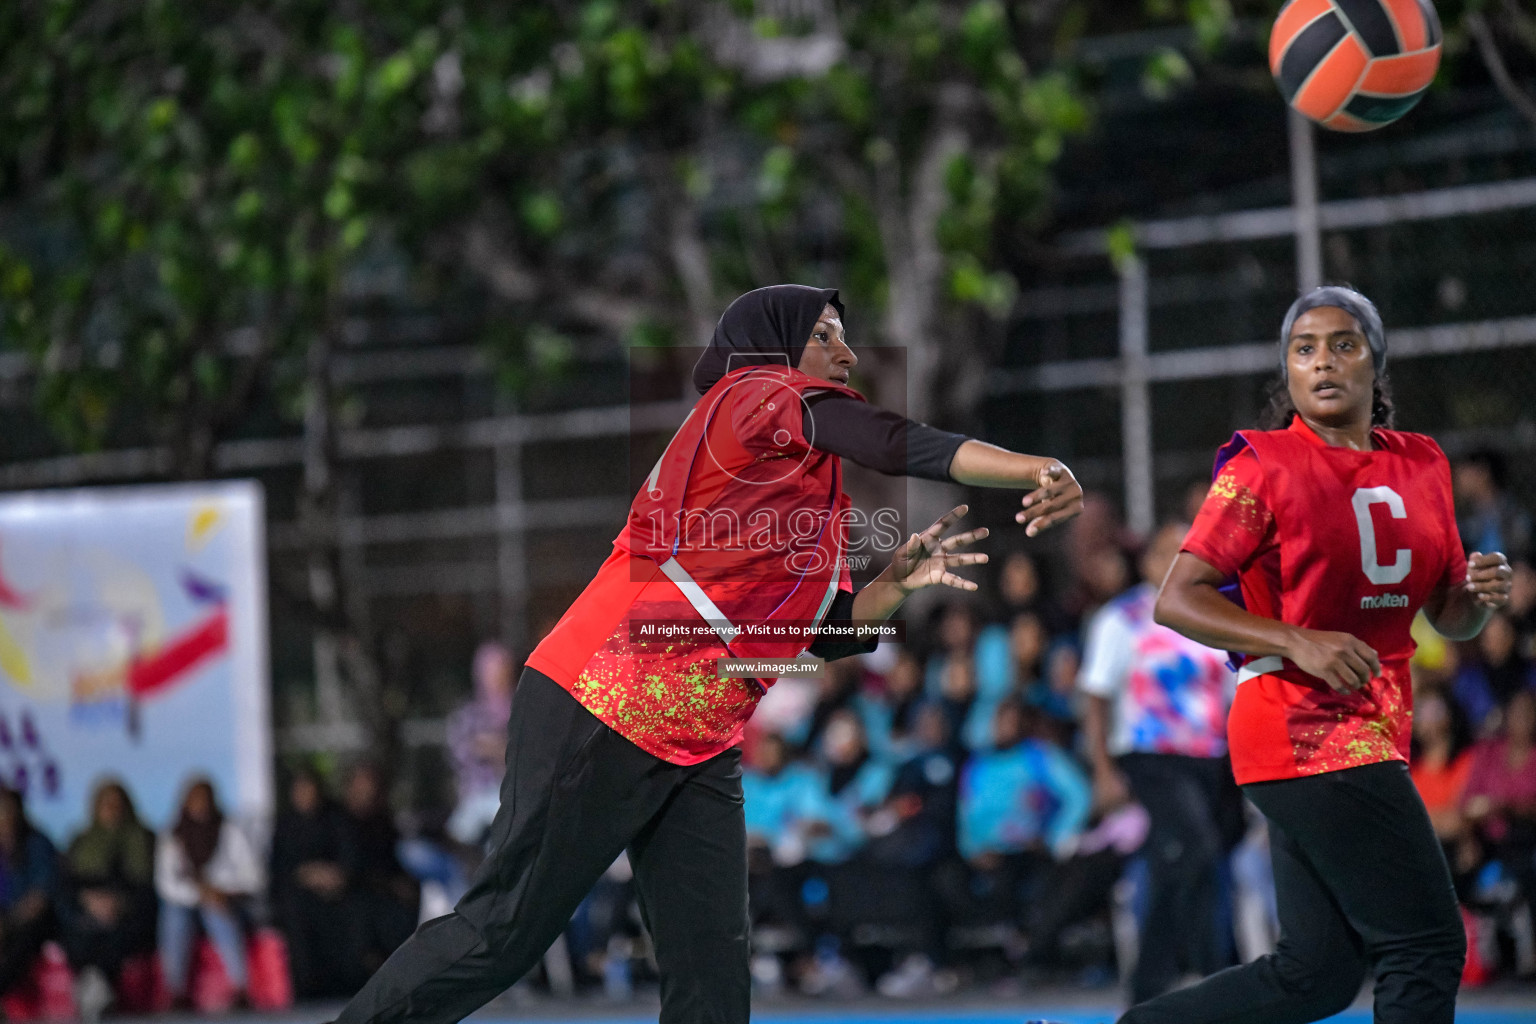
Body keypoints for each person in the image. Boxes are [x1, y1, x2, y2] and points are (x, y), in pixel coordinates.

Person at [331, 284, 1082, 1024]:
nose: (848, 353)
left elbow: (818, 636)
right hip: (604, 700)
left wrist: (892, 588)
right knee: (503, 934)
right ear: (774, 344)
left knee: (713, 979)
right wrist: (1033, 468)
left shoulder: (807, 501)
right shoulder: (749, 394)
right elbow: (892, 440)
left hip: (697, 739)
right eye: (824, 335)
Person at [1092, 286, 1513, 1024]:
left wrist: (1477, 594)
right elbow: (1178, 598)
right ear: (1286, 370)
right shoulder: (1264, 467)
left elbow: (1449, 617)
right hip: (1300, 727)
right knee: (1427, 944)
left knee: (1315, 974)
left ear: (1374, 363)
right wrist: (1296, 639)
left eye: (1343, 344)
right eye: (1303, 348)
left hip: (1373, 727)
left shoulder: (1423, 465)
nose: (1322, 361)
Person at [1078, 521, 1236, 1003]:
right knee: (1197, 849)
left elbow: (1232, 692)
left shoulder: (1214, 613)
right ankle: (1217, 973)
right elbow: (1096, 697)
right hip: (1151, 756)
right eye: (1168, 550)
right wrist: (1103, 771)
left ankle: (1149, 984)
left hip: (1212, 758)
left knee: (1182, 863)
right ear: (1147, 562)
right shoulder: (1121, 619)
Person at [155, 777, 263, 1006]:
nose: (201, 805)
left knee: (217, 912)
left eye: (205, 799)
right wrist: (202, 895)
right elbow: (167, 885)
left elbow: (252, 878)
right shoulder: (173, 836)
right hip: (187, 902)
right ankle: (176, 992)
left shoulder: (230, 830)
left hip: (230, 901)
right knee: (174, 916)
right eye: (195, 799)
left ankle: (241, 988)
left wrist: (220, 892)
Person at [60, 779, 157, 1015]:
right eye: (106, 804)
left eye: (117, 803)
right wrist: (89, 901)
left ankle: (96, 985)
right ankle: (96, 987)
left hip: (129, 911)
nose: (112, 809)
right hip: (88, 910)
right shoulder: (81, 840)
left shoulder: (144, 838)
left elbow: (149, 887)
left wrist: (120, 904)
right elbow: (66, 884)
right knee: (75, 932)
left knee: (120, 934)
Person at [269, 768, 361, 999]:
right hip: (296, 894)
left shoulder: (336, 818)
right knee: (295, 913)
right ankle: (307, 987)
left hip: (337, 892)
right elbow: (279, 867)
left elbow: (350, 858)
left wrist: (335, 875)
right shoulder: (286, 824)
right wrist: (306, 874)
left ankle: (346, 983)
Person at [339, 763, 420, 975]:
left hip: (384, 891)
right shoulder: (338, 821)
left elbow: (392, 861)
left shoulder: (383, 823)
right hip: (352, 891)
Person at [444, 642, 515, 847]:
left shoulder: (521, 709)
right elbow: (459, 752)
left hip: (512, 797)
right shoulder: (469, 714)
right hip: (477, 796)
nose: (500, 677)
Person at [0, 784, 59, 1000]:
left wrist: (10, 921)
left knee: (20, 940)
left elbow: (42, 894)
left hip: (28, 919)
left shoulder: (36, 844)